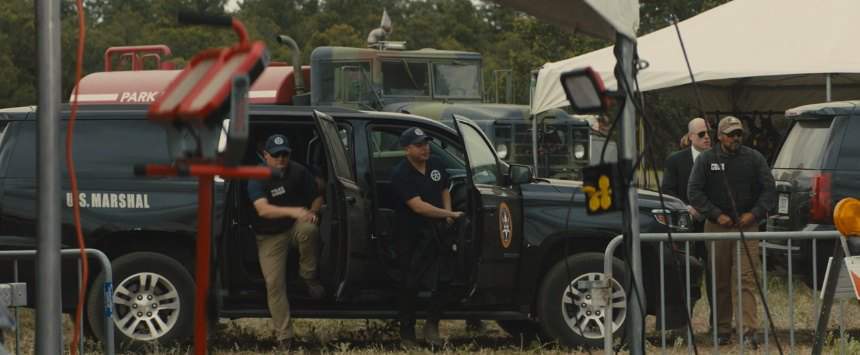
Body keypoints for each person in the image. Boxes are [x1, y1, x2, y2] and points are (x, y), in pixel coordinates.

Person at [688, 116, 775, 347]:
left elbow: (769, 191)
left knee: (745, 278)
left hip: (748, 226)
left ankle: (748, 331)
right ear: (719, 136)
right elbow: (694, 191)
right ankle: (721, 330)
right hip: (717, 226)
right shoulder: (706, 159)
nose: (735, 138)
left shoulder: (754, 158)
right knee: (719, 279)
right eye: (730, 134)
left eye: (739, 134)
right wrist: (716, 214)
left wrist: (754, 214)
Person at [248, 134, 325, 346]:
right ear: (265, 156)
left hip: (293, 228)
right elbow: (262, 210)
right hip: (269, 236)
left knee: (309, 229)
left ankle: (308, 276)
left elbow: (317, 195)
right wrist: (294, 211)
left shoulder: (298, 171)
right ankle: (285, 337)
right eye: (276, 155)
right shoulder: (257, 175)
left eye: (285, 154)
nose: (281, 159)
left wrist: (312, 212)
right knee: (274, 284)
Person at [390, 127, 464, 347]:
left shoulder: (436, 165)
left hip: (438, 232)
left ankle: (432, 324)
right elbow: (418, 207)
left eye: (426, 143)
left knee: (444, 280)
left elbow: (444, 189)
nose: (425, 148)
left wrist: (447, 216)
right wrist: (449, 214)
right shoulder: (400, 174)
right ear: (407, 149)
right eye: (419, 145)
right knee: (409, 284)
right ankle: (407, 333)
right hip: (411, 235)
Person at [661, 117, 712, 338]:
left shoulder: (718, 159)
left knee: (715, 277)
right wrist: (686, 208)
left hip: (712, 226)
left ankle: (719, 326)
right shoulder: (676, 161)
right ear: (691, 136)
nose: (707, 137)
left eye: (709, 132)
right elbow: (668, 191)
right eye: (701, 134)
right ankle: (681, 328)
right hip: (685, 228)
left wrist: (711, 211)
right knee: (684, 278)